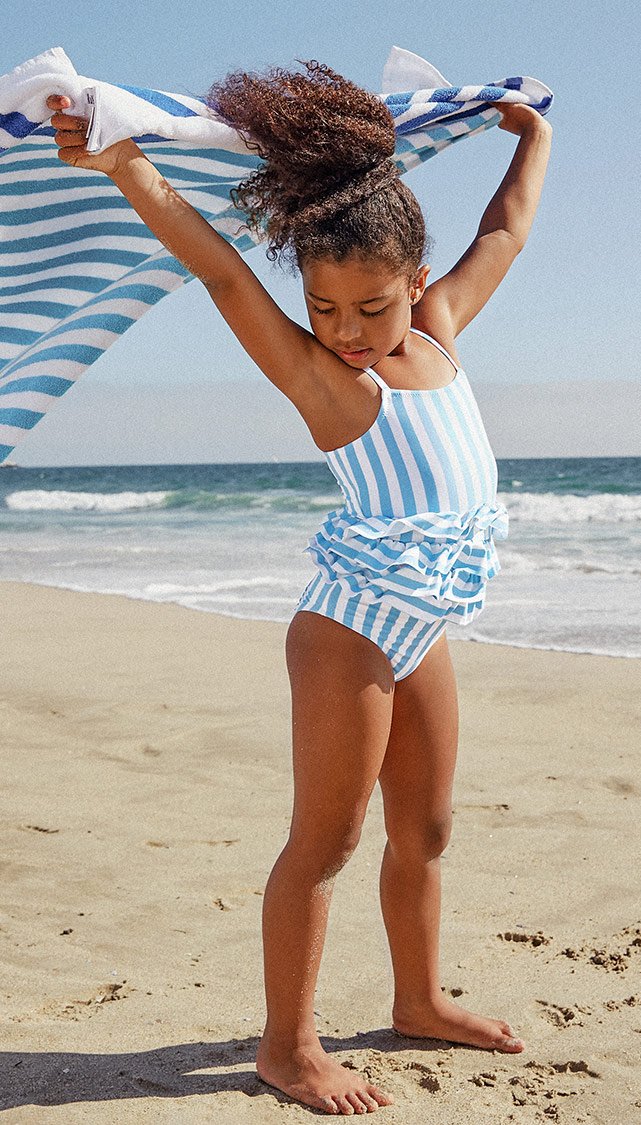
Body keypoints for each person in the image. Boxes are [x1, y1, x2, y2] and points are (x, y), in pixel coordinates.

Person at [47, 57, 552, 1116]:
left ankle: (417, 998)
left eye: (370, 306)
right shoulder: (327, 383)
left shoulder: (442, 336)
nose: (348, 330)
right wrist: (123, 163)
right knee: (327, 842)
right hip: (351, 633)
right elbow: (225, 270)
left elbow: (502, 236)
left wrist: (531, 141)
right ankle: (288, 1047)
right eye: (323, 308)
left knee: (429, 829)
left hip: (428, 624)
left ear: (415, 284)